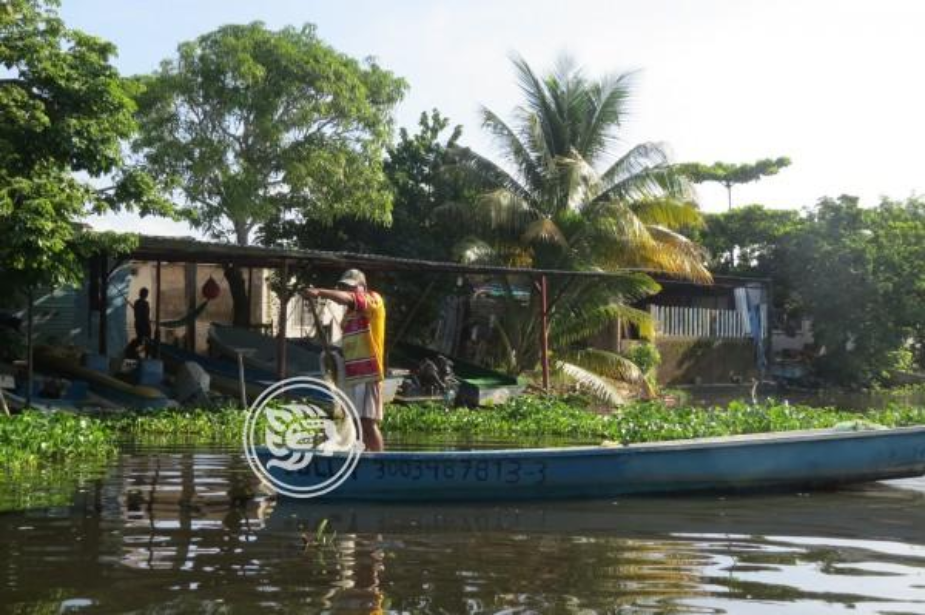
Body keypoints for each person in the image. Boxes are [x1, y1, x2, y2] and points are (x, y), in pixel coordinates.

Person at [303, 269, 386, 451]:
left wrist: (320, 292)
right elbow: (349, 347)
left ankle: (379, 461)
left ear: (362, 287)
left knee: (367, 423)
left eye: (352, 287)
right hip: (354, 375)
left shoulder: (374, 300)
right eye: (344, 287)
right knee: (356, 422)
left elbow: (350, 299)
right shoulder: (348, 316)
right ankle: (364, 460)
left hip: (369, 372)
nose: (348, 291)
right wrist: (335, 358)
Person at [128, 287, 152, 358]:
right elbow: (138, 315)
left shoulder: (145, 303)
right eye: (145, 293)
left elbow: (146, 314)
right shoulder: (138, 302)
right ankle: (131, 349)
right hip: (141, 324)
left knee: (147, 340)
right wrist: (141, 324)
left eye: (146, 294)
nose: (146, 295)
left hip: (146, 324)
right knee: (141, 339)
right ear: (141, 294)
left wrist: (147, 321)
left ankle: (146, 355)